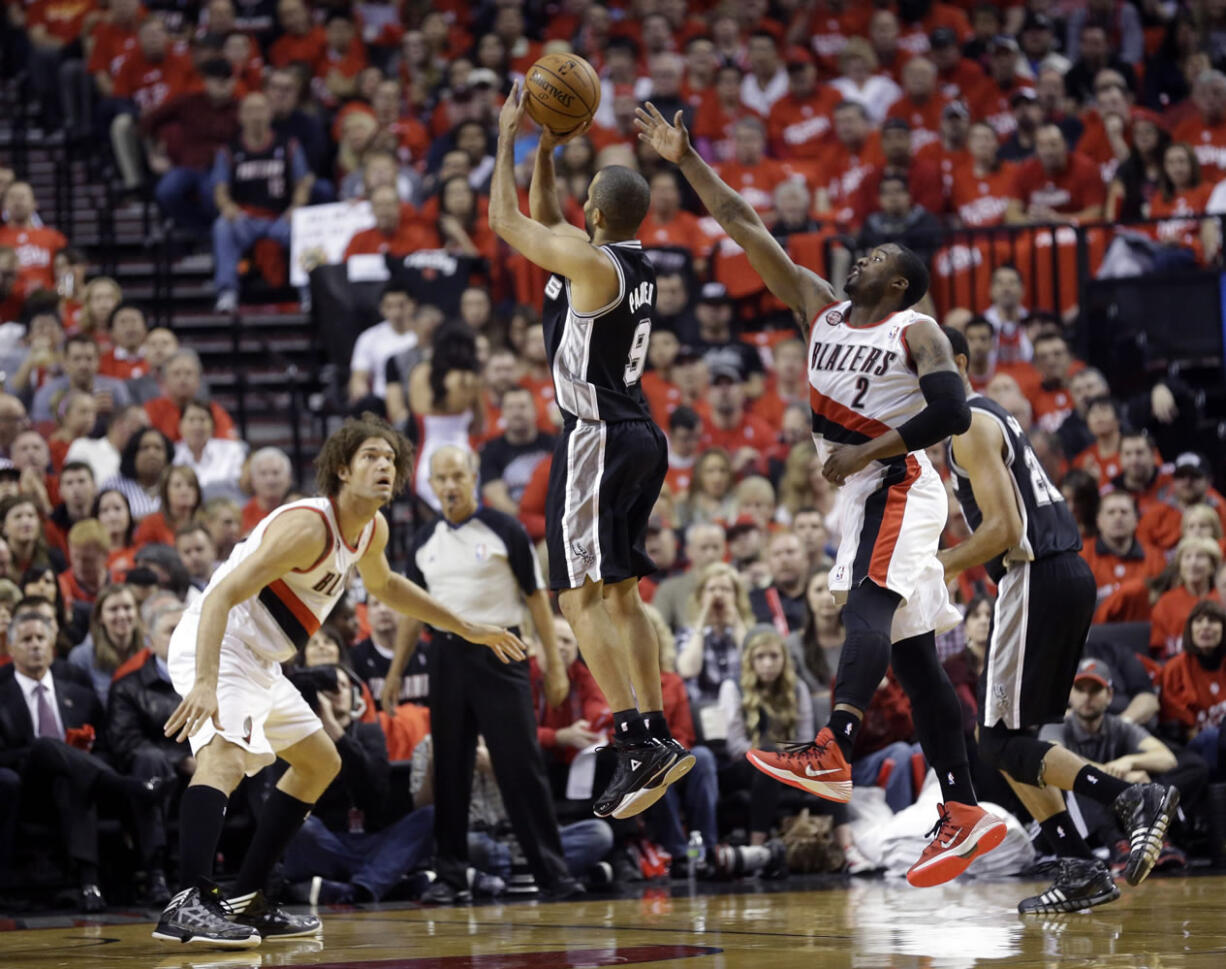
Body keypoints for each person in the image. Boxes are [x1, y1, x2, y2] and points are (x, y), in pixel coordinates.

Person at [636, 101, 1003, 887]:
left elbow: (950, 410)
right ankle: (964, 810)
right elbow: (742, 225)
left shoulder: (917, 331)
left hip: (900, 480)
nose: (858, 256)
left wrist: (869, 447)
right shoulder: (819, 308)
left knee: (865, 604)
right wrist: (685, 162)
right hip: (865, 488)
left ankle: (833, 743)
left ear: (899, 280)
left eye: (875, 256)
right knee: (914, 659)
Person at [153, 416, 526, 947]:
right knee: (226, 755)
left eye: (391, 460)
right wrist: (207, 681)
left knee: (319, 760)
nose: (383, 467)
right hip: (220, 640)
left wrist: (464, 625)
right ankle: (188, 900)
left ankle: (252, 895)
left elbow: (387, 585)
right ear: (342, 469)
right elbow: (219, 596)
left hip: (263, 658)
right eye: (371, 456)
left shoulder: (372, 529)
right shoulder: (308, 526)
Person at [490, 84, 694, 820]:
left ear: (596, 215)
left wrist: (509, 138)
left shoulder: (589, 264)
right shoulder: (623, 263)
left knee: (576, 597)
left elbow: (506, 219)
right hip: (641, 432)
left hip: (597, 435)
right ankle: (657, 732)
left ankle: (634, 736)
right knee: (619, 593)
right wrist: (547, 151)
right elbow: (547, 217)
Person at [938, 327, 1180, 913]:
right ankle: (1078, 867)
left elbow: (1003, 532)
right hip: (1062, 572)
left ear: (961, 365)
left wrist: (935, 565)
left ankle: (1130, 799)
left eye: (924, 366)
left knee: (995, 741)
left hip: (1033, 573)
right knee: (1012, 741)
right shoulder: (985, 418)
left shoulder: (968, 422)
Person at [389, 446, 577, 903]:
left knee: (521, 765)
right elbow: (413, 614)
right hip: (447, 658)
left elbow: (537, 599)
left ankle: (552, 874)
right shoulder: (423, 540)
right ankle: (451, 876)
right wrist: (395, 671)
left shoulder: (504, 528)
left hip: (503, 653)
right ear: (430, 486)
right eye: (441, 478)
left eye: (458, 475)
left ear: (473, 477)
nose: (450, 485)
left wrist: (553, 666)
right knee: (451, 766)